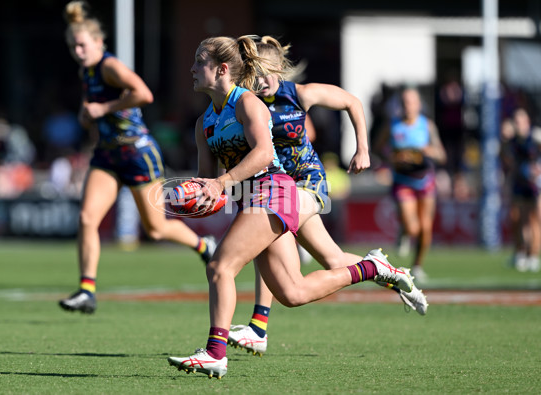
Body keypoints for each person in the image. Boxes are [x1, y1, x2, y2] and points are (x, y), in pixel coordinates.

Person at [167, 35, 414, 379]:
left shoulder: (248, 103)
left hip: (275, 192)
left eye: (199, 61)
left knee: (220, 266)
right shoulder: (203, 124)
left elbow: (265, 154)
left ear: (222, 70)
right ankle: (370, 269)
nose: (191, 68)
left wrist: (222, 183)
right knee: (292, 293)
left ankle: (215, 353)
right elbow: (208, 180)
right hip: (252, 200)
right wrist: (196, 196)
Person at [227, 36, 429, 357]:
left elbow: (353, 102)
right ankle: (386, 272)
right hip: (277, 188)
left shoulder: (300, 95)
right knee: (334, 261)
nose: (259, 80)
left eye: (266, 72)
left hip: (307, 183)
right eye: (253, 73)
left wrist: (362, 148)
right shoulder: (245, 102)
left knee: (263, 235)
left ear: (280, 69)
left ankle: (258, 327)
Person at [58, 1, 216, 314]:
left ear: (99, 43)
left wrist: (102, 110)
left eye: (82, 45)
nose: (78, 51)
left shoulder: (109, 65)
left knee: (156, 230)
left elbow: (144, 94)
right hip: (107, 153)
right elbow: (93, 101)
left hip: (136, 152)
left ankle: (204, 245)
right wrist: (87, 114)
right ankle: (87, 290)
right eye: (73, 46)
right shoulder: (86, 70)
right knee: (88, 218)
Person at [373, 87, 447, 283]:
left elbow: (441, 154)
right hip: (402, 181)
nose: (408, 106)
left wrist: (427, 151)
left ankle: (418, 265)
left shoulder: (427, 125)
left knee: (425, 228)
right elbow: (378, 148)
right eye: (405, 102)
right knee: (413, 227)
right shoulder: (393, 125)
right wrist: (393, 157)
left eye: (412, 102)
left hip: (424, 180)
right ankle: (404, 232)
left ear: (419, 105)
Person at [501, 107, 541, 272]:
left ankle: (533, 256)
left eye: (520, 122)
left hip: (535, 185)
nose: (518, 125)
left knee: (534, 221)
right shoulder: (512, 141)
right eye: (515, 122)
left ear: (527, 122)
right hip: (519, 184)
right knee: (516, 219)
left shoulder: (536, 137)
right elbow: (506, 159)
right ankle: (520, 253)